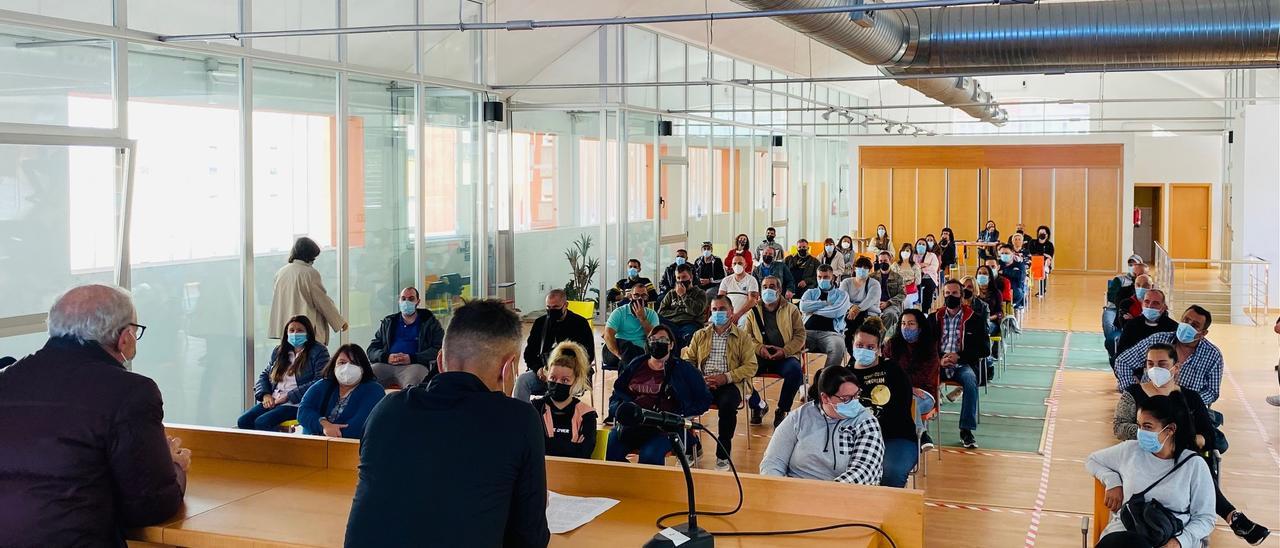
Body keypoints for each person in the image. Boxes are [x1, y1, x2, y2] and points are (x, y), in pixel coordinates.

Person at [346, 300, 550, 547]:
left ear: (441, 361)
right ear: (509, 369)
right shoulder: (520, 420)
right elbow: (530, 538)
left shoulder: (386, 409)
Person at [0, 284, 190, 547]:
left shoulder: (7, 379)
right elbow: (150, 506)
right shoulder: (131, 393)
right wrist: (173, 467)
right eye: (135, 331)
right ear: (124, 337)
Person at [1111, 345, 1271, 544]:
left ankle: (1228, 517)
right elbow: (1118, 427)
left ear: (1175, 368)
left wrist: (1196, 439)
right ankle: (1233, 516)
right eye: (1150, 364)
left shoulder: (1190, 397)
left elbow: (1209, 435)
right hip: (1145, 455)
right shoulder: (1133, 394)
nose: (1155, 369)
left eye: (1162, 364)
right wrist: (1150, 434)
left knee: (1194, 464)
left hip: (1183, 457)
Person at [1087, 394, 1215, 548]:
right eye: (1139, 425)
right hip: (1127, 531)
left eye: (1147, 427)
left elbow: (1205, 517)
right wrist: (1112, 480)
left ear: (1170, 430)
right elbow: (1092, 460)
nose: (1141, 432)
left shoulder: (1194, 465)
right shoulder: (1130, 450)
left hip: (1172, 537)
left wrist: (1179, 542)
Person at [759, 366, 884, 485]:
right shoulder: (799, 417)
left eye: (856, 395)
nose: (854, 402)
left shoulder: (866, 422)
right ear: (825, 398)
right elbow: (773, 461)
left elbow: (864, 472)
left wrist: (822, 495)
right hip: (796, 494)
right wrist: (777, 490)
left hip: (844, 497)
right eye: (845, 399)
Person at [606, 325, 712, 465]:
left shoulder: (683, 369)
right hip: (633, 425)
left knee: (649, 454)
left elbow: (704, 399)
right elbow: (618, 392)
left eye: (662, 340)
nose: (657, 343)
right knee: (610, 448)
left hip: (663, 428)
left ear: (671, 344)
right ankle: (627, 482)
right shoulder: (636, 364)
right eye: (653, 339)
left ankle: (648, 484)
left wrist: (680, 415)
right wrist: (620, 410)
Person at [682, 296, 759, 470]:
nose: (718, 313)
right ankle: (692, 447)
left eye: (722, 309)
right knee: (682, 402)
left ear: (731, 312)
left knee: (727, 405)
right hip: (703, 381)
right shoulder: (700, 335)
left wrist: (725, 377)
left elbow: (751, 366)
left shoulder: (742, 336)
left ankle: (723, 454)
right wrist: (699, 379)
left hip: (730, 383)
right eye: (715, 309)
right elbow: (688, 361)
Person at [847, 318, 918, 488]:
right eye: (860, 345)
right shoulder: (844, 375)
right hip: (854, 438)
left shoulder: (893, 371)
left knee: (890, 472)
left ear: (879, 349)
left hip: (895, 437)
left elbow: (901, 409)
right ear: (852, 345)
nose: (864, 350)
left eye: (870, 347)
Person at [1115, 305, 1222, 405]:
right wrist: (1133, 391)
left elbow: (1212, 391)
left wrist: (1190, 401)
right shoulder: (1157, 340)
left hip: (1186, 410)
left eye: (1194, 325)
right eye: (1186, 320)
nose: (1187, 326)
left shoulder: (1213, 355)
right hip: (1147, 404)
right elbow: (1122, 361)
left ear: (1203, 333)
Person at [239, 315, 331, 431]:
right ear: (286, 333)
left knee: (262, 422)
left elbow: (320, 380)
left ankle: (273, 449)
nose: (295, 333)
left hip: (297, 403)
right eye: (291, 330)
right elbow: (265, 375)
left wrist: (289, 396)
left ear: (308, 333)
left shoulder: (318, 351)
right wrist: (265, 394)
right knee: (243, 421)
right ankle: (254, 449)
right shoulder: (279, 351)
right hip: (274, 399)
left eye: (300, 330)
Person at [744, 276, 807, 428]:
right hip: (760, 355)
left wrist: (785, 351)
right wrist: (760, 348)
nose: (768, 290)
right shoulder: (753, 312)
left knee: (795, 371)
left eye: (772, 286)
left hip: (784, 355)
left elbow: (800, 335)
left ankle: (782, 409)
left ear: (779, 290)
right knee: (740, 372)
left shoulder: (792, 310)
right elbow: (747, 337)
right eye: (764, 287)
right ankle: (758, 405)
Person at [932, 280, 988, 448]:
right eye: (947, 293)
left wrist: (959, 357)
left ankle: (966, 430)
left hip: (962, 364)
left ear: (962, 296)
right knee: (919, 379)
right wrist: (940, 359)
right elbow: (925, 345)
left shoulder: (974, 319)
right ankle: (921, 427)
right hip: (938, 363)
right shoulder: (934, 317)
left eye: (954, 293)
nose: (950, 297)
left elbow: (984, 349)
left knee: (971, 382)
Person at [514, 289, 596, 402]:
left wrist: (567, 372)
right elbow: (529, 354)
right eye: (548, 308)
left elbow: (588, 355)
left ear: (566, 305)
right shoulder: (540, 323)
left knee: (560, 389)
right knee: (522, 381)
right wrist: (538, 369)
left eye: (556, 308)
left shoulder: (580, 323)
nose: (551, 311)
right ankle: (524, 418)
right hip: (545, 373)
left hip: (572, 375)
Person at [269, 236, 347, 346]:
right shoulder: (310, 274)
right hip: (307, 329)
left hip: (288, 332)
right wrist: (340, 322)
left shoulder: (281, 273)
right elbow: (322, 302)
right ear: (309, 255)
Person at [297, 344, 385, 440]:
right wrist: (324, 425)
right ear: (334, 365)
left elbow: (360, 426)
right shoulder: (323, 384)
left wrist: (330, 434)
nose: (347, 367)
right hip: (313, 444)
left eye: (354, 363)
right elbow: (303, 411)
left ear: (363, 368)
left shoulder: (374, 390)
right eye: (342, 362)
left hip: (349, 448)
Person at [366, 287, 445, 389]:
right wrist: (386, 357)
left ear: (418, 302)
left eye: (411, 299)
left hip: (415, 365)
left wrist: (412, 358)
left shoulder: (430, 322)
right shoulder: (389, 322)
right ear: (399, 301)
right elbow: (371, 349)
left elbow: (439, 349)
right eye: (403, 299)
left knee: (412, 388)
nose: (406, 302)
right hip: (386, 365)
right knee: (366, 381)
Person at [883, 309, 940, 452]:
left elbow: (925, 377)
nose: (906, 327)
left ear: (920, 327)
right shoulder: (892, 344)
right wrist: (906, 387)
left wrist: (904, 386)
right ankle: (920, 435)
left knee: (910, 402)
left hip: (924, 393)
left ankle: (916, 437)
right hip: (896, 391)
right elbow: (885, 370)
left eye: (910, 324)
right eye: (903, 324)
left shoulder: (930, 347)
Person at [530, 341, 599, 460]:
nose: (557, 383)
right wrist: (572, 447)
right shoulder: (535, 408)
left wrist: (548, 443)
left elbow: (584, 452)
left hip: (576, 474)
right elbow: (532, 448)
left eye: (565, 380)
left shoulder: (587, 414)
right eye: (553, 378)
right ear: (547, 376)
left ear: (576, 381)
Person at [799, 265, 852, 368]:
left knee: (838, 347)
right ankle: (799, 378)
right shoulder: (810, 292)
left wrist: (813, 310)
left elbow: (836, 311)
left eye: (826, 277)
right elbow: (803, 307)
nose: (822, 279)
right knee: (792, 344)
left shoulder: (842, 295)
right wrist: (825, 303)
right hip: (807, 332)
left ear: (833, 277)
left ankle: (826, 378)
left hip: (831, 334)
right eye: (819, 277)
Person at [602, 286, 660, 371]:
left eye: (643, 296)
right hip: (614, 351)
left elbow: (654, 337)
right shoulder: (619, 312)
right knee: (627, 347)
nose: (640, 298)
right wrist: (620, 355)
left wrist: (642, 319)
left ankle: (625, 383)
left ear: (647, 298)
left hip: (639, 352)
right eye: (636, 295)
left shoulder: (652, 314)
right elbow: (608, 335)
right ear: (630, 297)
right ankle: (632, 382)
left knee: (634, 354)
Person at [657, 264, 709, 350]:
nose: (681, 280)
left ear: (691, 277)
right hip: (672, 323)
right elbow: (661, 312)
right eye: (678, 278)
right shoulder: (671, 293)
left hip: (690, 323)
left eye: (684, 277)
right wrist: (681, 311)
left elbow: (696, 311)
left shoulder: (700, 293)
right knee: (656, 318)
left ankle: (678, 358)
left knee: (684, 336)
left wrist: (683, 295)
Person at [1105, 256, 1146, 362]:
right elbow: (1121, 311)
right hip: (1113, 309)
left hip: (1142, 327)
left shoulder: (1153, 293)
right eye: (1130, 264)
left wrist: (1134, 319)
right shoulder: (1121, 284)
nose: (1132, 267)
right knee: (1109, 325)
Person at [1116, 288, 1176, 357]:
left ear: (1163, 307)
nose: (1150, 306)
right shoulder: (1132, 325)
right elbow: (1121, 352)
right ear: (1142, 304)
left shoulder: (1173, 328)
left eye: (1155, 303)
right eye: (1147, 302)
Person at [841, 256, 883, 349]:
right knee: (845, 330)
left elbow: (870, 300)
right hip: (849, 312)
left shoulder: (874, 283)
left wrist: (857, 309)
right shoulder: (846, 282)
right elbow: (843, 298)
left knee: (859, 326)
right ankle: (852, 353)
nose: (862, 269)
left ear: (869, 270)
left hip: (869, 313)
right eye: (860, 267)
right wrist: (852, 308)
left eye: (865, 268)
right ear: (855, 268)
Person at [719, 255, 761, 328]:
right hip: (727, 313)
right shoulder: (726, 280)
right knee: (713, 321)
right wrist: (728, 314)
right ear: (731, 266)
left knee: (743, 322)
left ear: (745, 265)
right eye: (734, 263)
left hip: (745, 314)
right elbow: (720, 298)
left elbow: (752, 300)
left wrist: (738, 315)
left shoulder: (751, 280)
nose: (737, 265)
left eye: (740, 263)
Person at [876, 251, 907, 333]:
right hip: (875, 305)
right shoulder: (872, 277)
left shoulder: (898, 277)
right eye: (880, 261)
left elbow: (902, 294)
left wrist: (888, 302)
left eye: (885, 261)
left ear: (890, 261)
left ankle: (878, 338)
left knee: (891, 315)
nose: (883, 263)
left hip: (892, 305)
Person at [1026, 225, 1055, 297]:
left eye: (1043, 233)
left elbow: (1050, 257)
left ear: (1047, 235)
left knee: (1043, 270)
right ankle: (1026, 289)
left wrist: (1046, 257)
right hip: (1033, 261)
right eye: (1040, 233)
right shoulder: (1033, 242)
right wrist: (1044, 254)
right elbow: (1032, 252)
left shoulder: (1049, 245)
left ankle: (1042, 290)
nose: (1041, 234)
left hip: (1044, 263)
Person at [997, 243, 1027, 310]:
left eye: (1006, 253)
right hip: (1000, 289)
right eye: (1002, 253)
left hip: (1015, 291)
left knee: (1018, 292)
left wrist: (1004, 272)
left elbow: (1021, 276)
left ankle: (1011, 306)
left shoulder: (1019, 264)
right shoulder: (998, 264)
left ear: (1012, 253)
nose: (1004, 255)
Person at [915, 237, 941, 312]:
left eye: (923, 244)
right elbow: (912, 267)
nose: (921, 245)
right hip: (916, 278)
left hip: (929, 278)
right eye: (919, 244)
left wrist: (920, 268)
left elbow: (933, 268)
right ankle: (915, 306)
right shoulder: (913, 256)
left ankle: (925, 311)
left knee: (928, 287)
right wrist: (924, 265)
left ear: (926, 247)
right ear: (916, 245)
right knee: (915, 286)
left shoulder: (932, 255)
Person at [893, 243, 922, 310]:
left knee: (906, 301)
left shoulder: (915, 266)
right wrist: (905, 281)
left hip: (911, 292)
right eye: (903, 250)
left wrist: (910, 281)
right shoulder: (895, 265)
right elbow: (893, 279)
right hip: (898, 291)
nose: (905, 252)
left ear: (911, 252)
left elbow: (918, 281)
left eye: (907, 250)